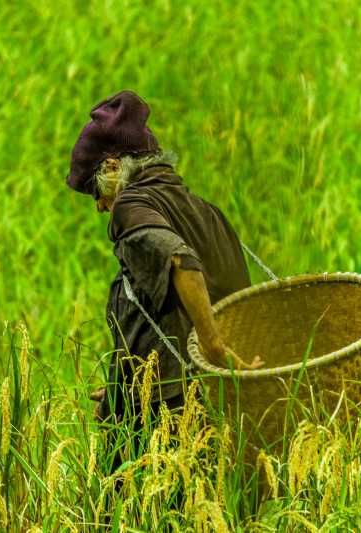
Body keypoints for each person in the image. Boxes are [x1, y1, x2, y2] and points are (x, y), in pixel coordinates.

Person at [65, 90, 263, 470]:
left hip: (170, 413)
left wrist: (213, 344)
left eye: (95, 191)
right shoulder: (204, 210)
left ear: (112, 168)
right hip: (215, 401)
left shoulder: (130, 207)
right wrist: (123, 388)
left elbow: (179, 260)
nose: (100, 206)